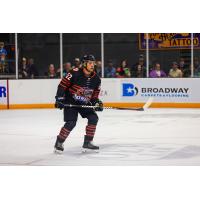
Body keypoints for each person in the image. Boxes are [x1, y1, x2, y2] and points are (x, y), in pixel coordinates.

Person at [54, 54, 103, 153]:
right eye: (89, 63)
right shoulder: (74, 73)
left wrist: (97, 103)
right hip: (71, 101)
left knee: (93, 118)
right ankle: (59, 142)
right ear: (84, 64)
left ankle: (88, 142)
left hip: (84, 101)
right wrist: (59, 98)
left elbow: (94, 95)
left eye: (93, 63)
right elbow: (62, 86)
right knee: (71, 123)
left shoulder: (96, 79)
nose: (92, 65)